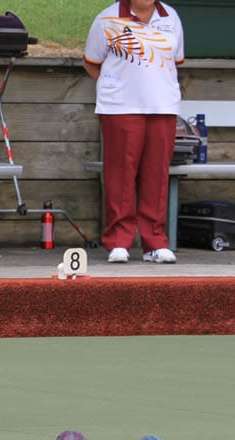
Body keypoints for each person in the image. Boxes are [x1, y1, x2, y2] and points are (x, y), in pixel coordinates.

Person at [83, 0, 184, 264]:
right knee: (120, 175)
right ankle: (118, 241)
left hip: (163, 107)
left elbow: (175, 61)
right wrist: (118, 86)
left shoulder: (171, 17)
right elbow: (92, 63)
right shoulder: (106, 19)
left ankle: (155, 244)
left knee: (157, 175)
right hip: (119, 108)